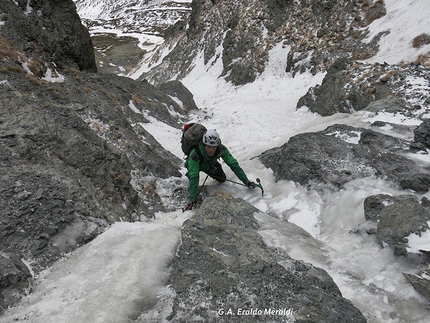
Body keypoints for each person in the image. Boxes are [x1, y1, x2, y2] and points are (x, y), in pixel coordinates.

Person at [184, 129, 258, 211]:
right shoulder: (195, 155)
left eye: (214, 147)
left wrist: (247, 182)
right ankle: (189, 172)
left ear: (217, 145)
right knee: (192, 176)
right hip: (197, 165)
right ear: (204, 145)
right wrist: (193, 200)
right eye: (209, 147)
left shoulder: (221, 149)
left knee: (222, 179)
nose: (211, 150)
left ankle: (207, 169)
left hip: (210, 165)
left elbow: (234, 165)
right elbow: (194, 178)